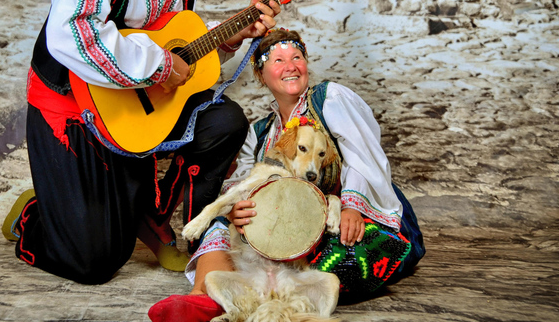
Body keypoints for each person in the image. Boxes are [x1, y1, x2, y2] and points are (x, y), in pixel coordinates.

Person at [0, 0, 280, 285]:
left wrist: (230, 38)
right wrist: (157, 67)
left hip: (130, 110)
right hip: (70, 112)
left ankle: (153, 215)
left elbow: (177, 46)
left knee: (225, 122)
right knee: (93, 262)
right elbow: (74, 34)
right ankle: (40, 214)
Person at [148, 28, 425, 321]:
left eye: (297, 57)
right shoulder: (260, 131)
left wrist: (352, 206)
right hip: (286, 225)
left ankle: (262, 303)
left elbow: (363, 155)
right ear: (260, 74)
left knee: (341, 258)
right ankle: (202, 301)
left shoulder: (329, 98)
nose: (291, 66)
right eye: (278, 60)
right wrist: (237, 212)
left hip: (342, 217)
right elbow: (241, 181)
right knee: (222, 221)